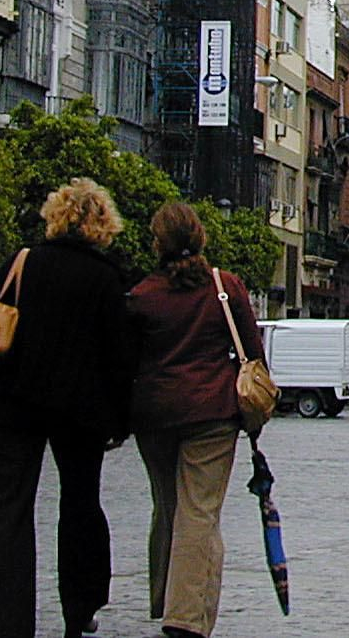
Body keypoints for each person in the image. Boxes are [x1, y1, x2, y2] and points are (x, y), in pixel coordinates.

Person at [0, 178, 132, 638]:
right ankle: (79, 608)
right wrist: (120, 420)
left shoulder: (22, 262)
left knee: (7, 507)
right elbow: (119, 357)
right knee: (81, 503)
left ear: (54, 216)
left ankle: (3, 619)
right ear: (103, 223)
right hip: (80, 411)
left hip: (13, 403)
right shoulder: (106, 277)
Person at [127, 201, 265, 638]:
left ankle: (165, 598)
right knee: (199, 512)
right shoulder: (224, 287)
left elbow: (126, 362)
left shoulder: (142, 296)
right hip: (212, 412)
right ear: (200, 237)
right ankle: (185, 616)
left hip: (155, 415)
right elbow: (253, 350)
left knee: (167, 505)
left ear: (158, 244)